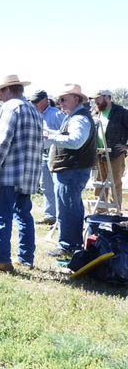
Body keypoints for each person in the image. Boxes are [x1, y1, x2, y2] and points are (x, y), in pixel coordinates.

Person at [0, 75, 43, 272]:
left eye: (0, 94)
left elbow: (2, 141)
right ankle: (25, 256)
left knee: (1, 215)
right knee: (24, 214)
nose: (0, 98)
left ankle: (1, 259)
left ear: (7, 90)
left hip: (9, 172)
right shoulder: (34, 110)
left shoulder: (10, 108)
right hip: (28, 173)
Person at [44, 84, 97, 257]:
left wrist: (50, 137)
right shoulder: (75, 117)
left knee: (68, 207)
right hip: (72, 170)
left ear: (77, 99)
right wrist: (50, 133)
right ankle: (71, 244)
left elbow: (75, 141)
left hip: (71, 170)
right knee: (70, 206)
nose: (60, 103)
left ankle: (69, 245)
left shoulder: (78, 119)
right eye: (59, 100)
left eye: (63, 99)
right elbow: (70, 137)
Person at [29, 90, 65, 225]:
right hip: (41, 153)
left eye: (36, 101)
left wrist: (50, 134)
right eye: (32, 101)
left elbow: (65, 133)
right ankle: (51, 215)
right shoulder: (35, 114)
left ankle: (61, 217)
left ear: (45, 100)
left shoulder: (57, 114)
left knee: (57, 185)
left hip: (54, 153)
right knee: (46, 185)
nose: (34, 104)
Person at [91, 89, 128, 211]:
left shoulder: (122, 112)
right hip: (98, 154)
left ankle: (115, 212)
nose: (96, 101)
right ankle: (100, 212)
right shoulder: (96, 113)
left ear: (107, 97)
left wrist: (126, 147)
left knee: (115, 183)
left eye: (98, 98)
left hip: (115, 154)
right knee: (99, 184)